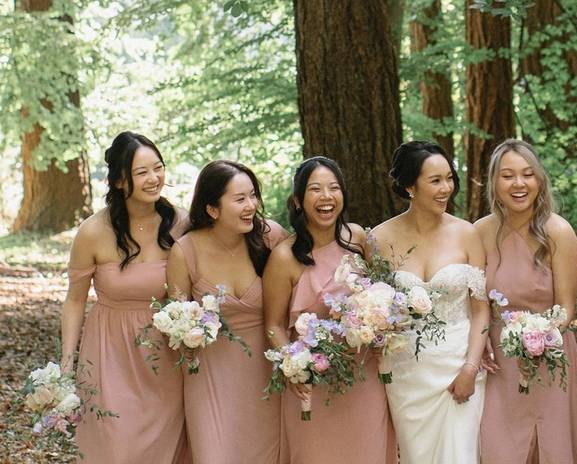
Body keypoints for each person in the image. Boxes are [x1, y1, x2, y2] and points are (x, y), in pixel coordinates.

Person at [61, 131, 189, 463]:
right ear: (119, 180)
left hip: (165, 355)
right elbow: (75, 300)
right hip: (109, 353)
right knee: (116, 446)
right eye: (141, 172)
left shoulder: (181, 224)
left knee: (164, 450)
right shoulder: (92, 231)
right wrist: (66, 363)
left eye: (158, 168)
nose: (154, 178)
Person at [262, 156, 396, 463]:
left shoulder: (358, 238)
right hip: (314, 379)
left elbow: (383, 292)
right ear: (298, 200)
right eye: (315, 189)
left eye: (334, 188)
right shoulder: (285, 257)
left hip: (364, 375)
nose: (326, 197)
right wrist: (295, 366)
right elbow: (273, 324)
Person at [372, 141, 488, 463]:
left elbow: (481, 310)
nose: (446, 188)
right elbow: (374, 310)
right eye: (435, 180)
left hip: (459, 367)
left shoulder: (467, 234)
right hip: (406, 373)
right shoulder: (379, 239)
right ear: (410, 185)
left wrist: (470, 367)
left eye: (449, 178)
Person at [476, 139, 577, 464]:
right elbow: (477, 302)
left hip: (549, 357)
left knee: (551, 448)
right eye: (508, 175)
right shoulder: (480, 233)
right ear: (494, 182)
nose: (518, 184)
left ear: (539, 180)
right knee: (498, 446)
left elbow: (567, 309)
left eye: (527, 174)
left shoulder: (559, 232)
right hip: (499, 363)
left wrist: (539, 336)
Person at [166, 160, 287, 464]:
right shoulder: (185, 251)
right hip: (209, 382)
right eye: (240, 199)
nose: (251, 206)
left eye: (253, 196)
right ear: (212, 209)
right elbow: (176, 320)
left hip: (267, 378)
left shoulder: (272, 238)